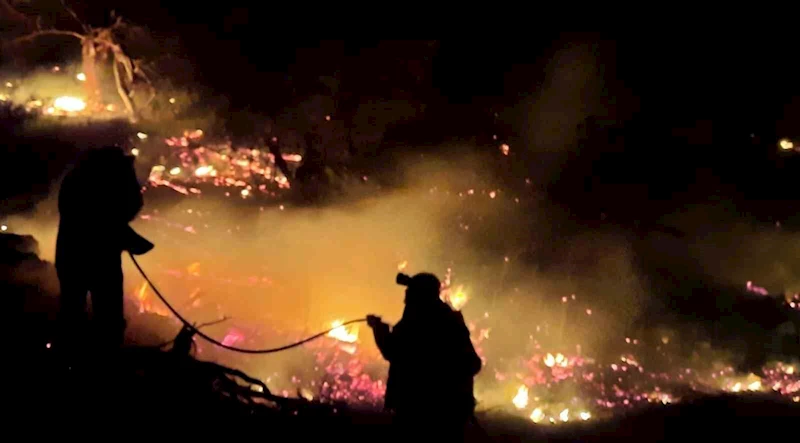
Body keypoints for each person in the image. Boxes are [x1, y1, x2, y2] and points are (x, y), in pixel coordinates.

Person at [55, 146, 153, 358]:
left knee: (72, 312)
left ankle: (69, 360)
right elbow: (131, 206)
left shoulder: (75, 178)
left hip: (70, 256)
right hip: (102, 261)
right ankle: (103, 363)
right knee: (108, 318)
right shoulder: (112, 178)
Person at [367, 272, 482, 441]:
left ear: (419, 295)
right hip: (451, 410)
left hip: (418, 408)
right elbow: (473, 363)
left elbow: (393, 351)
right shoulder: (449, 319)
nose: (405, 299)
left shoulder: (418, 320)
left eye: (409, 293)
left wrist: (379, 329)